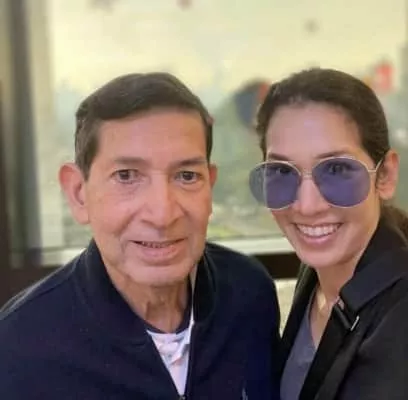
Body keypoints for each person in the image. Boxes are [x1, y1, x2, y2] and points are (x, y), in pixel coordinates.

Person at [0, 72, 281, 399]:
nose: (162, 215)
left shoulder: (248, 293)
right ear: (78, 193)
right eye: (126, 176)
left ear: (210, 185)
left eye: (187, 176)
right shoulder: (22, 344)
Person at [249, 68, 408, 400]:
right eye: (281, 171)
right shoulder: (319, 273)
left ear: (385, 176)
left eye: (337, 169)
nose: (307, 206)